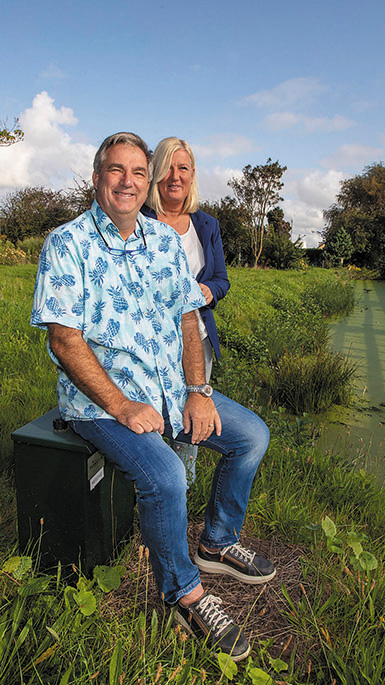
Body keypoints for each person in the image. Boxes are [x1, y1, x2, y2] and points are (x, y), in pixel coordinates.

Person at [30, 132, 274, 661]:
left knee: (252, 435)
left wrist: (198, 391)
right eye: (116, 171)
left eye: (138, 173)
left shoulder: (163, 240)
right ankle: (185, 593)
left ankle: (216, 541)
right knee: (164, 476)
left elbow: (189, 318)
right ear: (97, 178)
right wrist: (122, 406)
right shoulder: (67, 244)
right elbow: (64, 340)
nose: (128, 181)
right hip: (100, 404)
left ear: (148, 182)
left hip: (172, 390)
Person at [142, 137, 230, 486]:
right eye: (167, 168)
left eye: (183, 168)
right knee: (149, 406)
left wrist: (209, 291)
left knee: (191, 407)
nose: (175, 176)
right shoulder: (139, 219)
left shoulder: (206, 225)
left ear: (193, 175)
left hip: (198, 338)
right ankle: (148, 481)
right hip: (151, 338)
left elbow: (222, 278)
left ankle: (184, 481)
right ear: (154, 174)